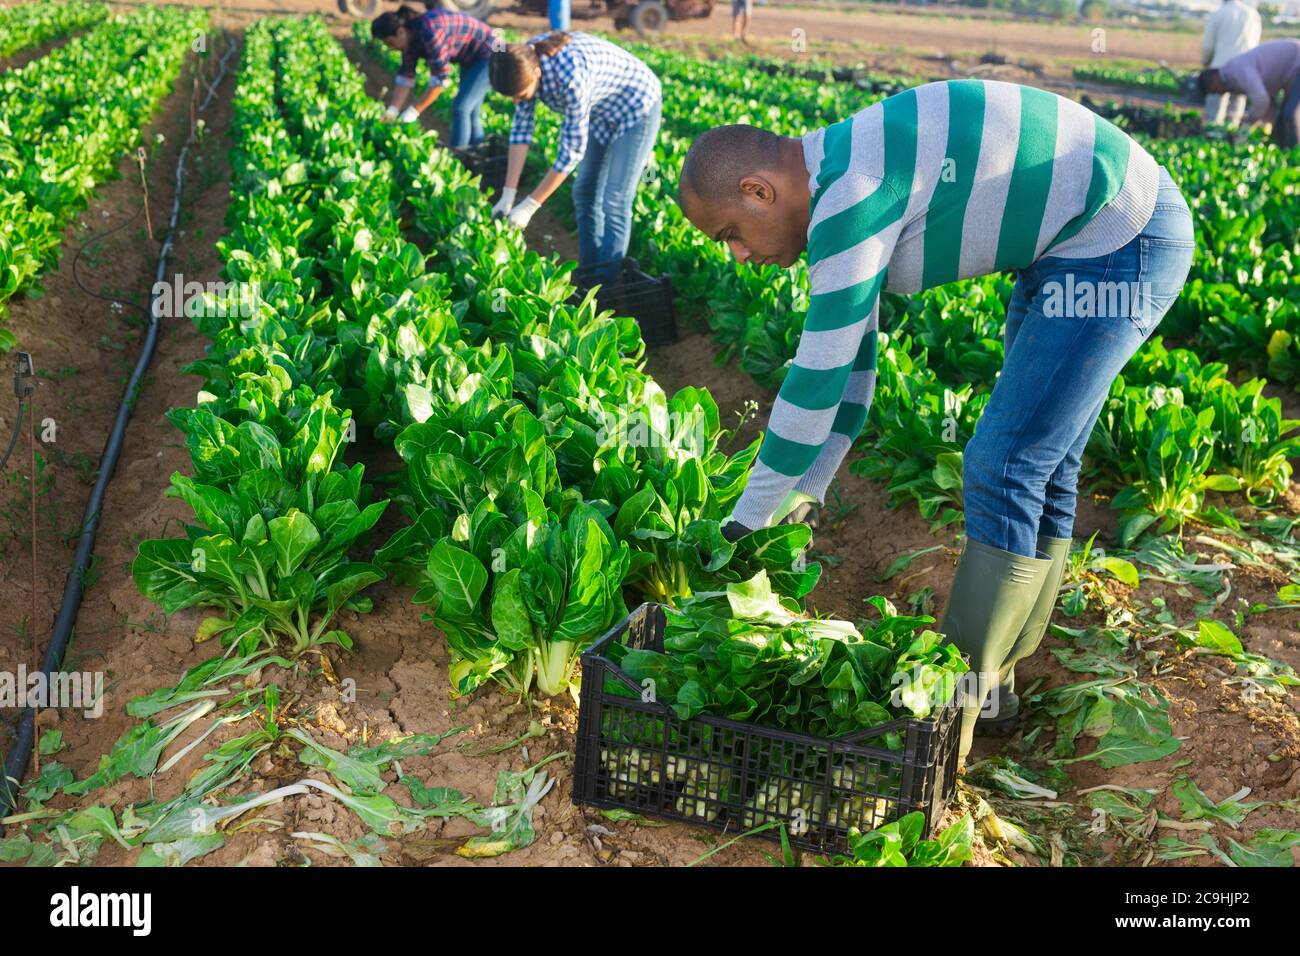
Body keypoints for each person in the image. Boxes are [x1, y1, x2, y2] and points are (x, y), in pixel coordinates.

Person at [679, 80, 1196, 764]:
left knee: (1007, 463)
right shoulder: (840, 176)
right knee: (1042, 462)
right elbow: (853, 374)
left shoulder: (852, 192)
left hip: (1119, 240)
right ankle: (996, 685)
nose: (738, 256)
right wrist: (806, 495)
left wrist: (747, 521)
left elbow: (819, 371)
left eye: (731, 235)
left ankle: (951, 718)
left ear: (759, 191)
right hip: (1076, 246)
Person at [488, 32, 662, 285]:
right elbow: (521, 132)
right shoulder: (522, 62)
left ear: (536, 73)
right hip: (601, 111)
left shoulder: (571, 77)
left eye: (521, 95)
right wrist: (508, 193)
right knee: (584, 191)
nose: (517, 101)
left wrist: (530, 206)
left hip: (637, 108)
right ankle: (590, 274)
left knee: (614, 199)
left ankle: (605, 287)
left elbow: (571, 153)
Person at [371, 4, 496, 148]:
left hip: (489, 52)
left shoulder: (430, 32)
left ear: (400, 32)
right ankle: (476, 155)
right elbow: (406, 76)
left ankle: (457, 157)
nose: (391, 48)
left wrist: (414, 110)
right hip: (470, 57)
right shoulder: (409, 40)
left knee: (461, 108)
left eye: (390, 43)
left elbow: (440, 80)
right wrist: (393, 110)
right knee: (471, 110)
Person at [1199, 38, 1300, 148]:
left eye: (1214, 90)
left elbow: (1261, 100)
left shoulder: (1236, 71)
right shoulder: (1232, 79)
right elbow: (1268, 103)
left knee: (1290, 115)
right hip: (1292, 71)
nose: (1218, 94)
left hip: (1297, 62)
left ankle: (1295, 158)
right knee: (1280, 124)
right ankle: (1285, 154)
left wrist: (1247, 124)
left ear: (1214, 79)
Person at [1201, 0, 1262, 127]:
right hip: (1245, 71)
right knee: (1235, 112)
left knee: (1214, 112)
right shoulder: (1252, 14)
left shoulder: (1219, 13)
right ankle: (1231, 139)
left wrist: (1206, 62)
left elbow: (1208, 46)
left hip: (1219, 70)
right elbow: (1256, 44)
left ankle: (1212, 138)